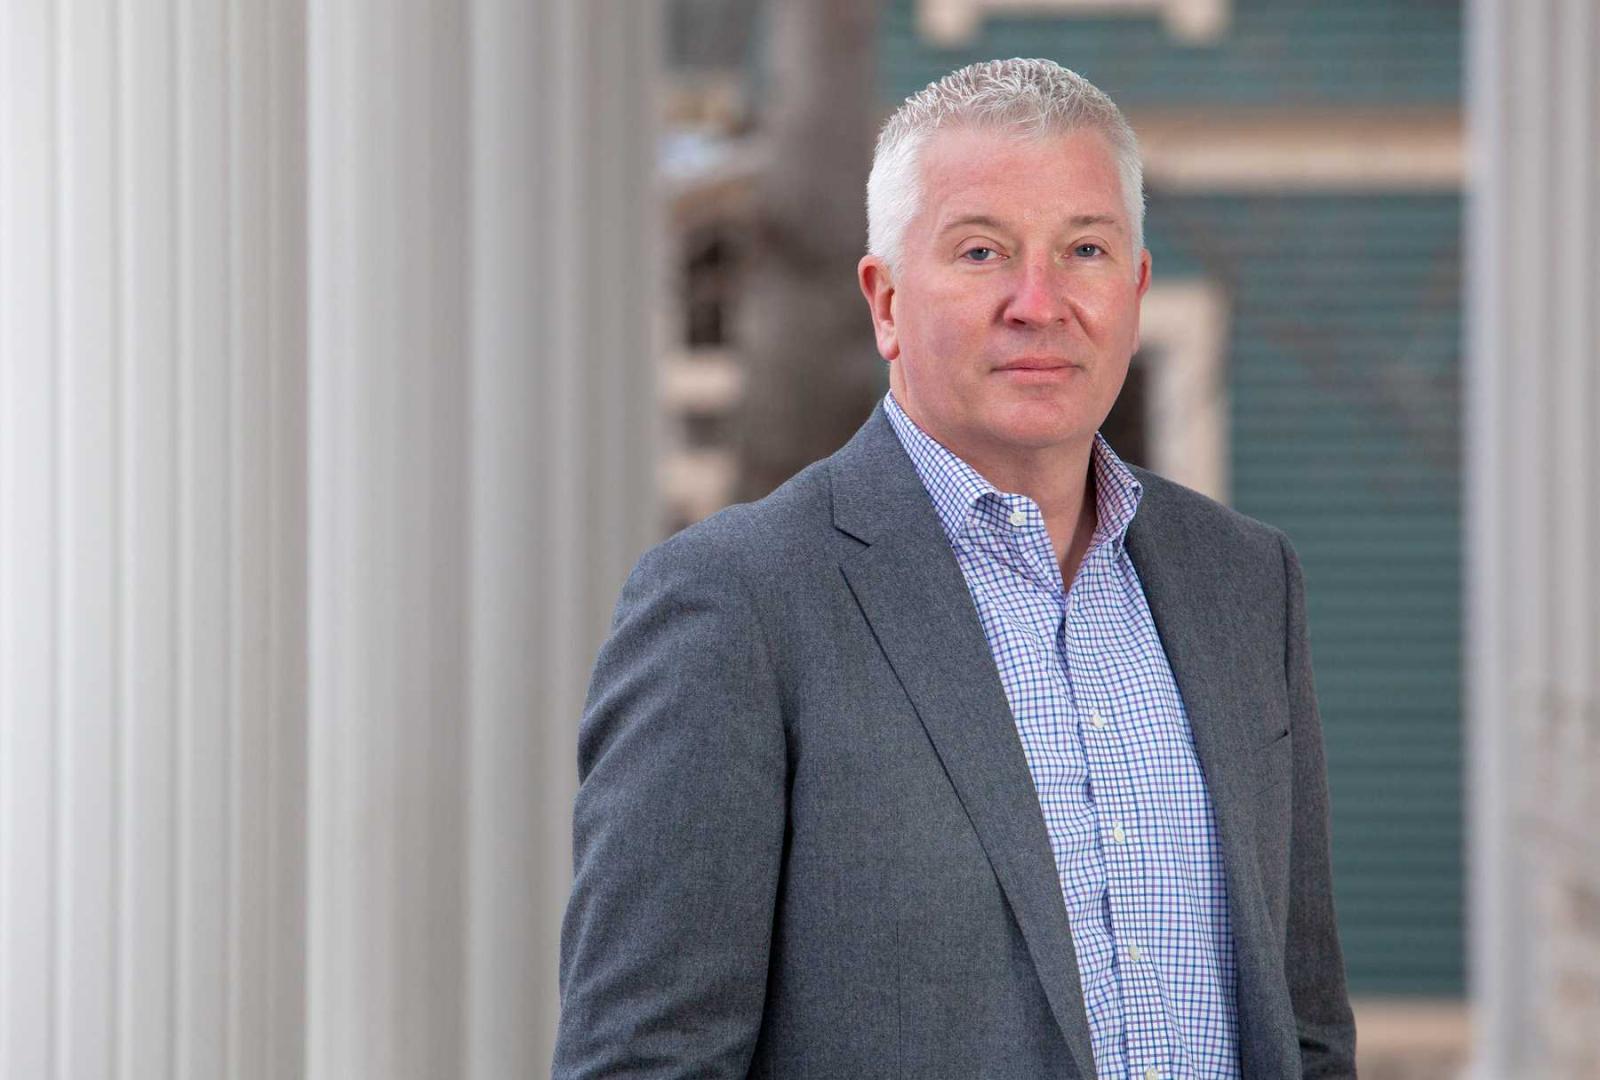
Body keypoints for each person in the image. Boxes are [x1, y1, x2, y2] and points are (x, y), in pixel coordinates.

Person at [553, 58, 1356, 1079]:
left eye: (1085, 250)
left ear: (1135, 289)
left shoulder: (1244, 585)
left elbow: (1305, 1023)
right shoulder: (735, 605)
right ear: (884, 300)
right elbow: (646, 1061)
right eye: (981, 251)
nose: (1039, 301)